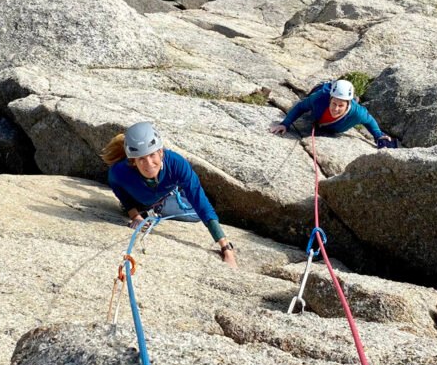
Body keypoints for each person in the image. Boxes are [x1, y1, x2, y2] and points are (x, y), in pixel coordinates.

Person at [102, 122, 238, 268]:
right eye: (141, 158)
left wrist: (225, 247)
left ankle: (174, 195)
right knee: (195, 214)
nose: (148, 163)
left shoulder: (177, 164)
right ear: (133, 161)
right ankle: (160, 206)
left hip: (166, 195)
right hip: (146, 203)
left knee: (200, 209)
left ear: (161, 152)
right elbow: (118, 188)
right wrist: (134, 214)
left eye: (152, 155)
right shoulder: (119, 172)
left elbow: (200, 201)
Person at [269, 79, 396, 148]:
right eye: (334, 104)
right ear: (329, 100)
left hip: (341, 111)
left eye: (341, 105)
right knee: (313, 94)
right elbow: (301, 107)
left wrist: (379, 135)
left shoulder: (357, 113)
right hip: (323, 89)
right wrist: (285, 124)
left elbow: (369, 120)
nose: (336, 108)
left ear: (348, 104)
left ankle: (353, 97)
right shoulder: (320, 98)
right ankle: (327, 83)